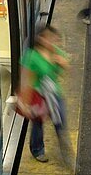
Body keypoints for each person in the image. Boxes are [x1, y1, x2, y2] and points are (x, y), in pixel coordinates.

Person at [19, 26, 69, 163]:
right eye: (50, 38)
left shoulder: (55, 52)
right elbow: (25, 80)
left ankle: (65, 150)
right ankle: (37, 149)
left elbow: (63, 69)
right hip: (38, 96)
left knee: (60, 121)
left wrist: (62, 63)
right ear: (40, 39)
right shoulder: (31, 57)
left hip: (54, 93)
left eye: (54, 39)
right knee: (38, 124)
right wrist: (25, 103)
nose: (53, 41)